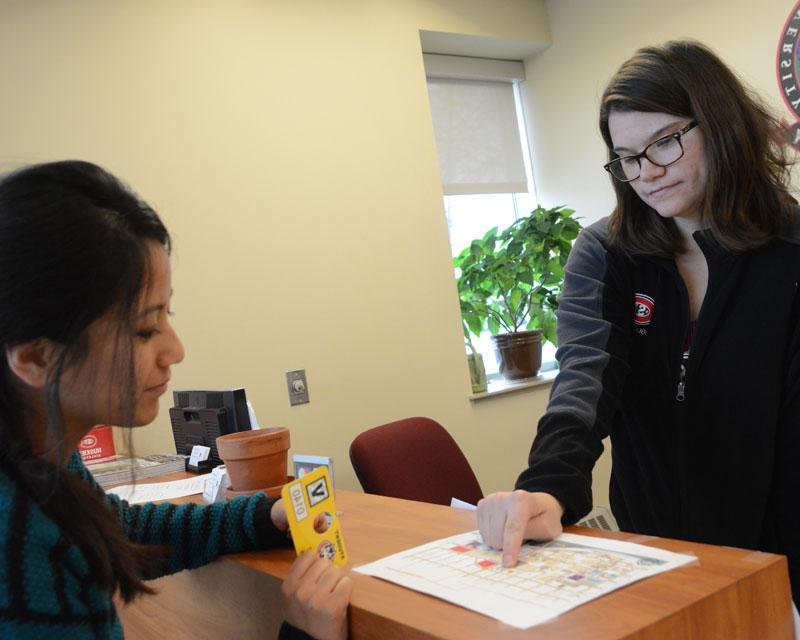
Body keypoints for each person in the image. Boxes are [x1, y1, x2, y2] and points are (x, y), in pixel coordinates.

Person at [477, 39, 800, 610]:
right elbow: (584, 382)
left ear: (721, 126)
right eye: (626, 157)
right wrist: (548, 484)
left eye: (665, 143)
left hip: (777, 559)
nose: (645, 173)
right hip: (654, 550)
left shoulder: (791, 249)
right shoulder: (608, 252)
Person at [0, 160, 352, 639]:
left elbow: (118, 530)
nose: (175, 350)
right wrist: (303, 634)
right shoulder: (19, 553)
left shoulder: (40, 455)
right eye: (146, 328)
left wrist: (265, 517)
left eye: (168, 314)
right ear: (37, 357)